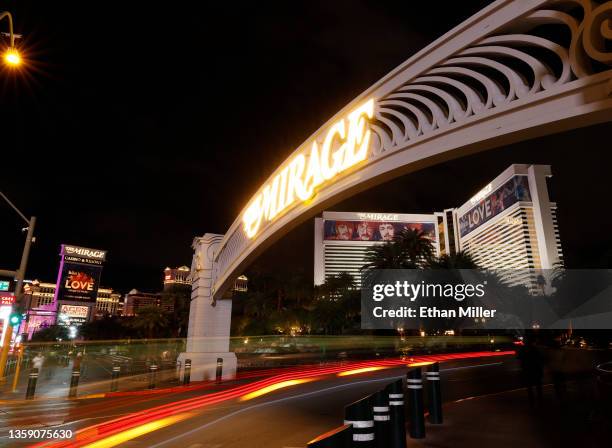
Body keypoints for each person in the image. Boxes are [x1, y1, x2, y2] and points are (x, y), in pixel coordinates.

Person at [516, 337, 544, 407]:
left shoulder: (523, 349)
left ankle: (532, 401)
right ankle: (540, 399)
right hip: (535, 369)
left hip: (527, 369)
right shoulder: (535, 349)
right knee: (538, 385)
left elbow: (519, 357)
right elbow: (540, 358)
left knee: (529, 386)